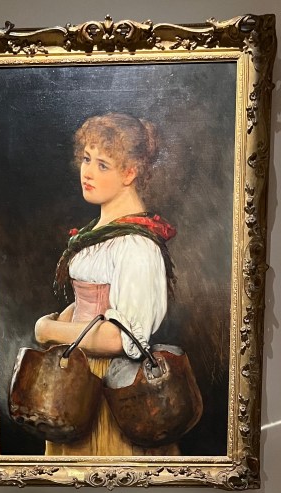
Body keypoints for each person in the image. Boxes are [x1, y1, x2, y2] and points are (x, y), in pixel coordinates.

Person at [34, 112, 178, 457]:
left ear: (130, 172)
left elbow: (119, 337)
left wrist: (48, 330)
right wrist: (65, 319)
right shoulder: (99, 234)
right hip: (77, 384)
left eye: (102, 164)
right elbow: (88, 302)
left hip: (112, 387)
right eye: (86, 159)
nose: (87, 172)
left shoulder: (137, 246)